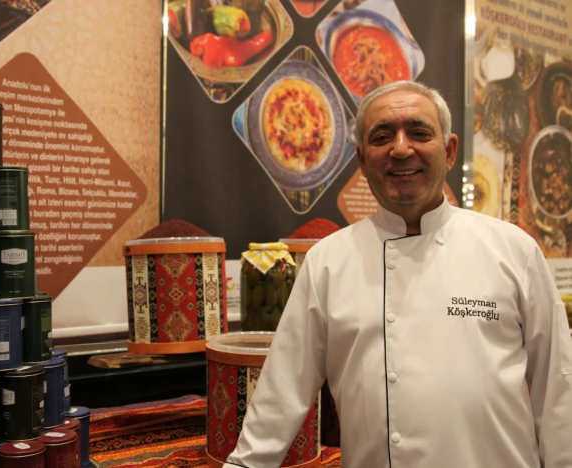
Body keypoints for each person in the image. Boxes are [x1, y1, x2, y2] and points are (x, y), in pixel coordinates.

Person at [222, 81, 572, 468]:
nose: (401, 149)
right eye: (382, 137)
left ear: (449, 151)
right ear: (361, 159)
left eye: (419, 133)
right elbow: (281, 393)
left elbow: (560, 388)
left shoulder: (513, 250)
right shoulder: (327, 263)